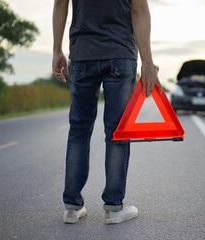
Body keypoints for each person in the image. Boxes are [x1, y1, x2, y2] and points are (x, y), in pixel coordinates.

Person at [52, 0, 161, 224]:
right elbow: (139, 9)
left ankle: (72, 208)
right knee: (117, 132)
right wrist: (148, 63)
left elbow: (60, 3)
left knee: (79, 131)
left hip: (82, 54)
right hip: (120, 53)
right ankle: (113, 207)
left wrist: (57, 49)